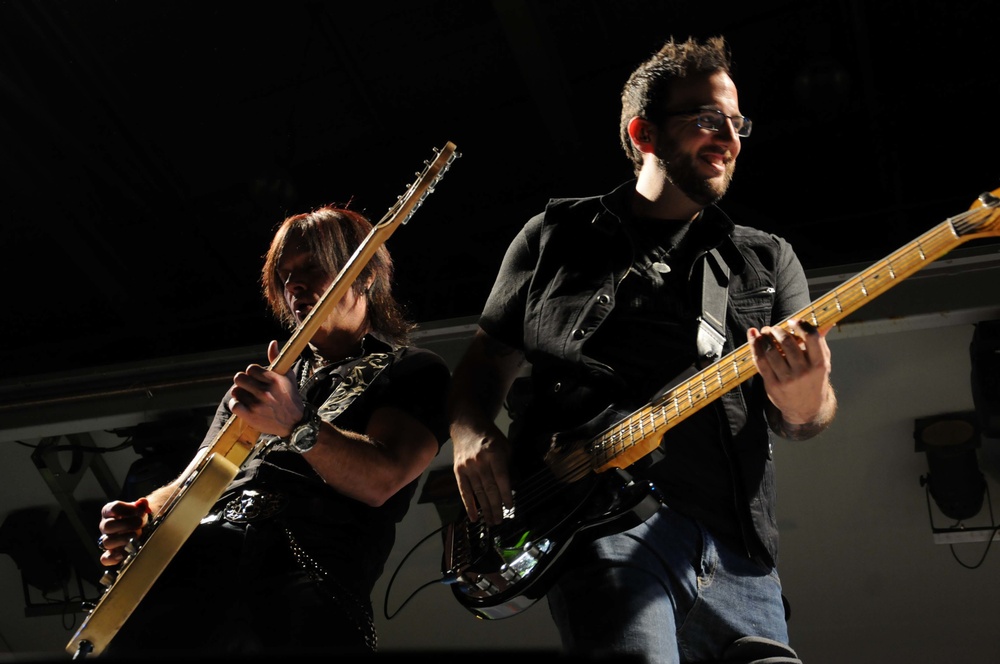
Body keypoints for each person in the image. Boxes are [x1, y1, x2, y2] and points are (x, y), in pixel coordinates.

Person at [447, 36, 836, 664]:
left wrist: (803, 396)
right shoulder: (553, 237)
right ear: (645, 133)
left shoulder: (766, 260)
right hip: (604, 535)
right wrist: (468, 432)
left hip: (739, 556)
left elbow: (807, 418)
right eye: (708, 120)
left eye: (737, 124)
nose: (729, 139)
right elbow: (485, 361)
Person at [95, 205, 450, 656]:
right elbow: (196, 479)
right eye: (284, 275)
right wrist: (144, 509)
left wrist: (297, 425)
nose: (294, 284)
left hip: (307, 577)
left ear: (365, 276)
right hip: (196, 571)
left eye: (312, 266)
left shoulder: (412, 369)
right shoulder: (259, 386)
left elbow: (381, 480)